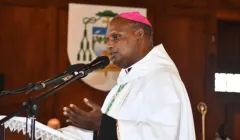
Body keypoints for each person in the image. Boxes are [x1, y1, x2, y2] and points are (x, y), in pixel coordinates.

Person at [62, 11, 196, 140]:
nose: (108, 45)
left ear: (139, 35)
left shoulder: (162, 77)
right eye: (107, 39)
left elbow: (161, 135)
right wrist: (55, 134)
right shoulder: (126, 82)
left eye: (115, 37)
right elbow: (101, 135)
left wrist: (104, 124)